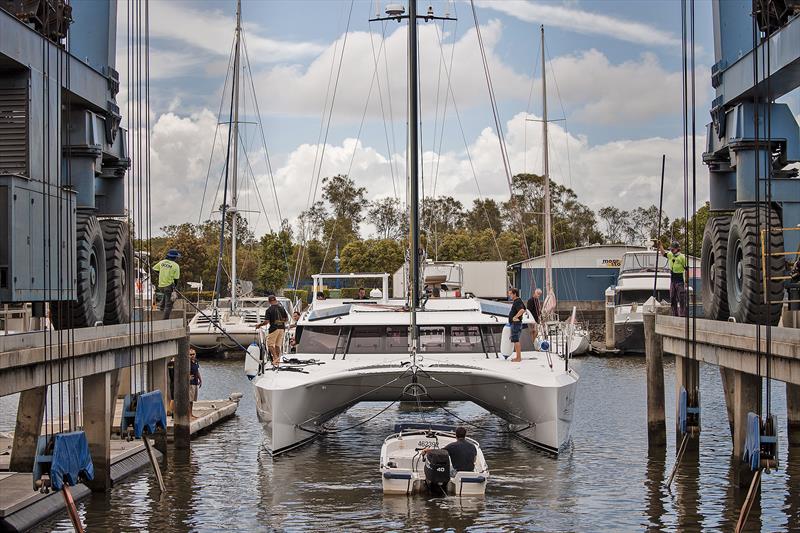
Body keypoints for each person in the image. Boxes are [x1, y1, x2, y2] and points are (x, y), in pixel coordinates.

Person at [257, 295, 289, 365]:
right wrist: (280, 322)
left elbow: (266, 322)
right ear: (275, 300)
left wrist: (259, 325)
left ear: (269, 301)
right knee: (278, 345)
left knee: (270, 345)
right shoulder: (282, 308)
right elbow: (286, 319)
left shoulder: (269, 310)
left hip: (274, 329)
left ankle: (275, 359)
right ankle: (278, 360)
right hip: (282, 329)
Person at [659, 240, 688, 317]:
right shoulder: (670, 255)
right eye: (671, 249)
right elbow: (663, 253)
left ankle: (682, 314)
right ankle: (675, 314)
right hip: (673, 280)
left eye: (673, 249)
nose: (671, 250)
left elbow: (687, 269)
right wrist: (660, 246)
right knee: (672, 298)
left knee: (681, 298)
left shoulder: (682, 257)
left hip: (680, 280)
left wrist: (686, 281)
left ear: (677, 249)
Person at [153, 249, 181, 319]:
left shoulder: (162, 262)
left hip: (161, 286)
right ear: (175, 257)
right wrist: (175, 289)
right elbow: (176, 279)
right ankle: (165, 320)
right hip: (168, 286)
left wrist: (161, 274)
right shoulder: (175, 265)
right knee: (169, 305)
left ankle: (161, 307)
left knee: (166, 294)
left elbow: (154, 269)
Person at [508, 287, 526, 362]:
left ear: (514, 294)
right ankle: (518, 357)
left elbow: (522, 310)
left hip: (516, 324)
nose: (509, 295)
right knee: (515, 340)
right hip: (516, 324)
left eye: (510, 294)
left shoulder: (517, 301)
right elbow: (524, 309)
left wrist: (515, 317)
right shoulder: (518, 300)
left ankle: (518, 358)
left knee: (516, 340)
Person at [189, 348, 202, 419]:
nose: (192, 356)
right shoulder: (187, 363)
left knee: (193, 400)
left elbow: (197, 371)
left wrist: (200, 379)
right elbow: (182, 371)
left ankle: (191, 413)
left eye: (193, 354)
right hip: (190, 383)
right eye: (190, 354)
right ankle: (189, 414)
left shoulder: (196, 361)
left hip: (195, 382)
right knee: (189, 400)